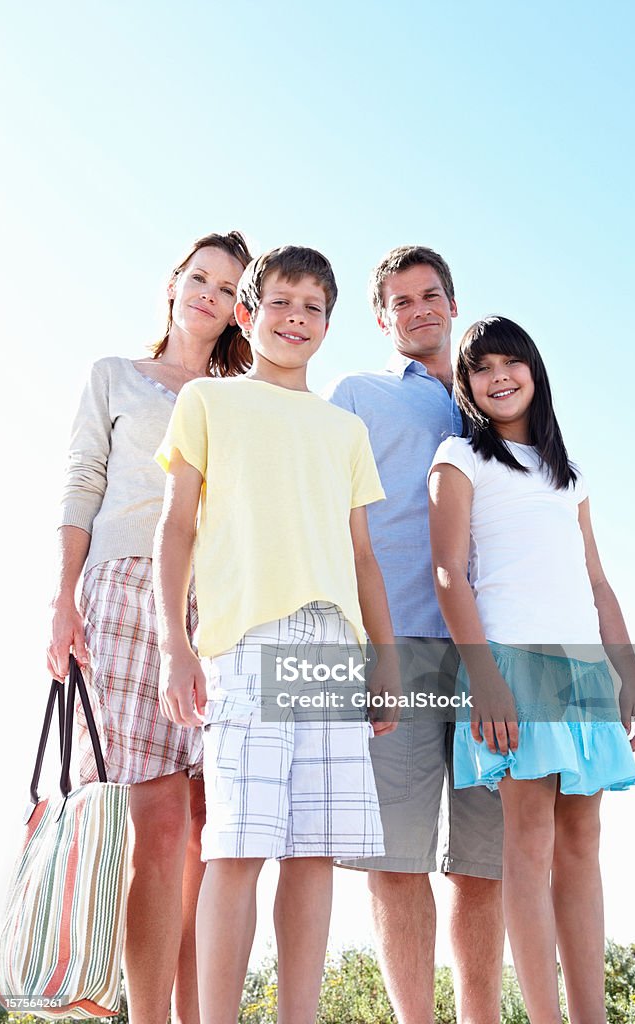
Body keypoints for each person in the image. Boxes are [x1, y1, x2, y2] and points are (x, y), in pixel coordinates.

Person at [153, 245, 400, 1024]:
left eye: (313, 308)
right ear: (246, 313)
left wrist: (383, 661)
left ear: (328, 323)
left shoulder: (342, 430)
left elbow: (363, 556)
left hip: (332, 646)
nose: (296, 318)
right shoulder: (207, 402)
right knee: (236, 845)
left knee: (315, 848)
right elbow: (176, 529)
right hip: (246, 641)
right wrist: (175, 644)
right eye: (281, 302)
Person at [46, 230, 253, 1024]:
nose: (208, 292)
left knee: (211, 828)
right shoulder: (116, 378)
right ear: (174, 284)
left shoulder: (239, 400)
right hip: (124, 594)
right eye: (198, 276)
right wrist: (62, 598)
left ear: (241, 309)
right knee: (158, 820)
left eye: (226, 286)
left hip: (220, 610)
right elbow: (79, 485)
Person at [428, 315, 635, 1022]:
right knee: (528, 844)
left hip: (581, 671)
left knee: (582, 843)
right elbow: (446, 573)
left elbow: (597, 583)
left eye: (510, 362)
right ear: (466, 386)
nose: (499, 376)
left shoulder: (570, 475)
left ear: (533, 370)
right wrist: (483, 679)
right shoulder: (458, 457)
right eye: (482, 368)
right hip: (509, 666)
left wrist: (632, 679)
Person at [325, 246, 505, 1024]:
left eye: (430, 295)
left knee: (484, 862)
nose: (418, 310)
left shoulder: (497, 399)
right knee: (394, 859)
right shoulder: (357, 395)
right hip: (392, 650)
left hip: (491, 658)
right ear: (380, 318)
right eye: (400, 302)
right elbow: (329, 521)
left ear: (452, 303)